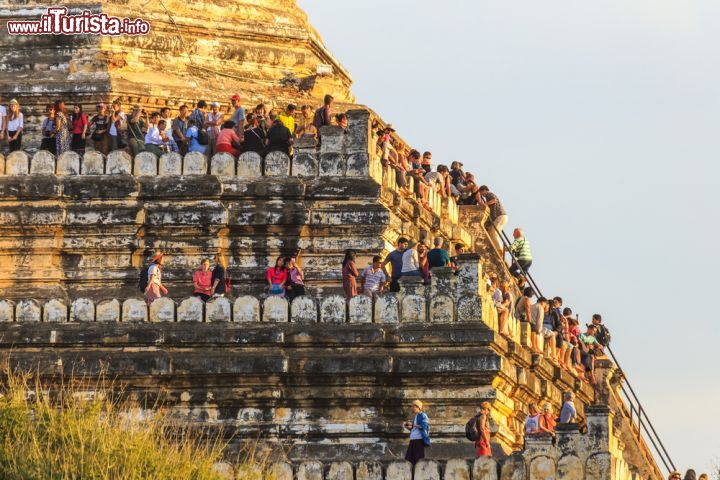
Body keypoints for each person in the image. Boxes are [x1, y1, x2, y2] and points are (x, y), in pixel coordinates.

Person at [479, 186, 508, 255]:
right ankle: (497, 248)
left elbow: (494, 200)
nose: (481, 194)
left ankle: (500, 250)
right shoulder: (487, 196)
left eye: (481, 192)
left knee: (493, 232)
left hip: (500, 216)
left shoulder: (489, 194)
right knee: (491, 233)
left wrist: (485, 204)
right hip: (501, 216)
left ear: (484, 190)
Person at [404, 399, 430, 466]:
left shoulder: (423, 415)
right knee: (409, 459)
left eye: (413, 406)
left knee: (418, 460)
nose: (412, 408)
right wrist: (408, 427)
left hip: (419, 440)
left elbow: (424, 426)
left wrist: (412, 425)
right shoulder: (416, 416)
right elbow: (415, 429)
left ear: (418, 407)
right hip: (413, 440)